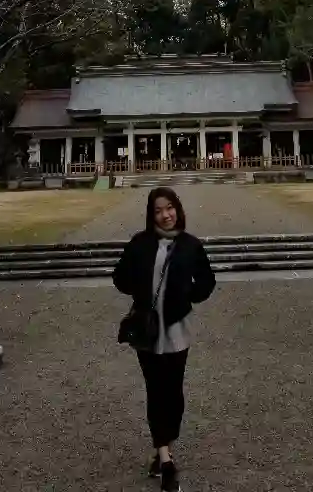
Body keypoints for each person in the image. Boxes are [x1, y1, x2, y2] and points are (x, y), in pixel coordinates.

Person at [112, 186, 216, 492]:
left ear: (177, 209)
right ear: (151, 214)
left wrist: (187, 295)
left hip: (176, 328)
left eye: (169, 208)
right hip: (147, 331)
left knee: (174, 392)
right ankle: (166, 460)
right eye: (158, 210)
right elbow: (120, 277)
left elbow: (207, 281)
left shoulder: (190, 245)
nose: (165, 215)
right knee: (156, 390)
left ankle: (164, 448)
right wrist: (142, 293)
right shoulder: (140, 243)